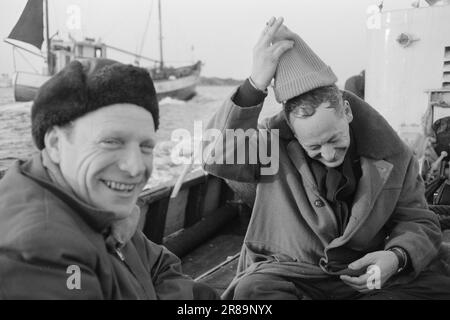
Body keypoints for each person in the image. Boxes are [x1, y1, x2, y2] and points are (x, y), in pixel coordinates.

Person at [203, 17, 450, 299]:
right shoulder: (271, 146)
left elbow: (419, 220)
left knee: (440, 283)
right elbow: (216, 154)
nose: (329, 154)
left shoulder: (395, 155)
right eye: (315, 147)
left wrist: (395, 257)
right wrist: (254, 84)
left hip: (361, 274)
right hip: (291, 273)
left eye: (334, 139)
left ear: (346, 111)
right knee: (253, 291)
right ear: (293, 131)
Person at [0, 58, 217, 300]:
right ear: (55, 144)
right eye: (111, 142)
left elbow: (160, 266)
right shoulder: (39, 250)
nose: (135, 168)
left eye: (146, 146)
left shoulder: (100, 206)